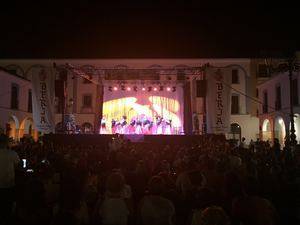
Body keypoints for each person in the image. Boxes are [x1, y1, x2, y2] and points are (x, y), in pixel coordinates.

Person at [0, 134, 20, 223]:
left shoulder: (12, 153)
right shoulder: (12, 153)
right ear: (6, 143)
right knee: (7, 207)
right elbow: (18, 166)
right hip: (8, 184)